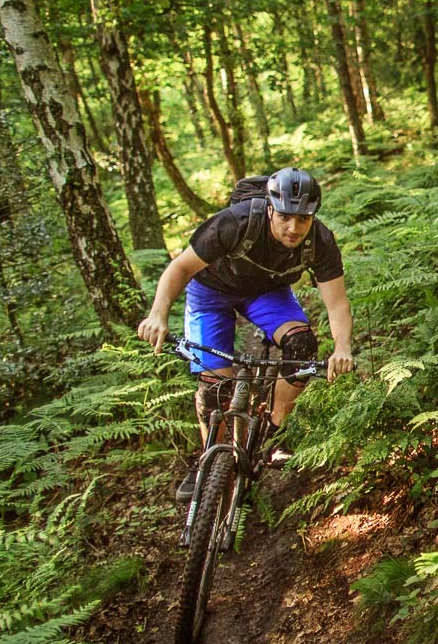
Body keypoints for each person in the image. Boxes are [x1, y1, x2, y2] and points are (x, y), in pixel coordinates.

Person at [136, 167, 355, 500]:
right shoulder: (234, 223)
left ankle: (273, 437)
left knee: (302, 344)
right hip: (210, 293)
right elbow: (179, 267)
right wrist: (158, 315)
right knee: (214, 388)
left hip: (266, 294)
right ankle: (208, 460)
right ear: (269, 208)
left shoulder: (320, 241)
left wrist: (342, 347)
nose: (293, 228)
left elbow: (336, 303)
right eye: (284, 216)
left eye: (303, 219)